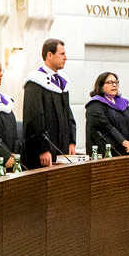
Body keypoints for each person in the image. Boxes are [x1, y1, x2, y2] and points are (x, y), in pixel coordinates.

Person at [23, 39, 77, 168]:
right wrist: (42, 148)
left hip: (62, 146)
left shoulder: (62, 82)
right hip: (44, 150)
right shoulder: (35, 82)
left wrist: (71, 141)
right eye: (62, 54)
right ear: (50, 55)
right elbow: (34, 119)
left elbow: (68, 114)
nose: (65, 58)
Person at [85, 72, 129, 156]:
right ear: (100, 85)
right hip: (106, 151)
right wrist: (124, 142)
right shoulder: (95, 105)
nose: (114, 85)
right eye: (110, 82)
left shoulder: (122, 103)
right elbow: (106, 127)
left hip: (127, 149)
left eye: (116, 82)